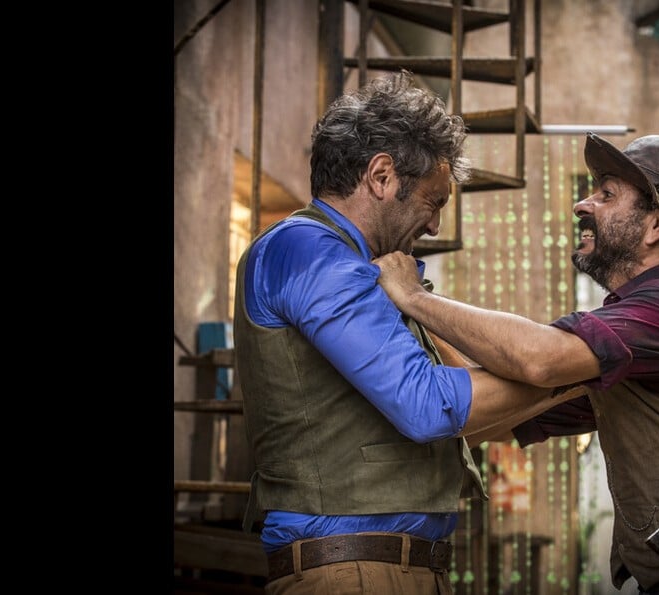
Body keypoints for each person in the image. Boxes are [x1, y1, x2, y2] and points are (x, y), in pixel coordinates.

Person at [375, 132, 659, 594]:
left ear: (657, 224)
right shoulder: (626, 340)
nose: (583, 205)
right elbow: (490, 417)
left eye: (606, 194)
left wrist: (413, 295)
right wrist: (416, 312)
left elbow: (538, 359)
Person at [233, 70, 584, 595]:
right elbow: (426, 405)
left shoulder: (372, 269)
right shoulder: (303, 248)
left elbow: (466, 398)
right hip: (349, 572)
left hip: (398, 568)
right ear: (381, 176)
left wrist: (580, 381)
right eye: (434, 201)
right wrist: (581, 361)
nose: (437, 226)